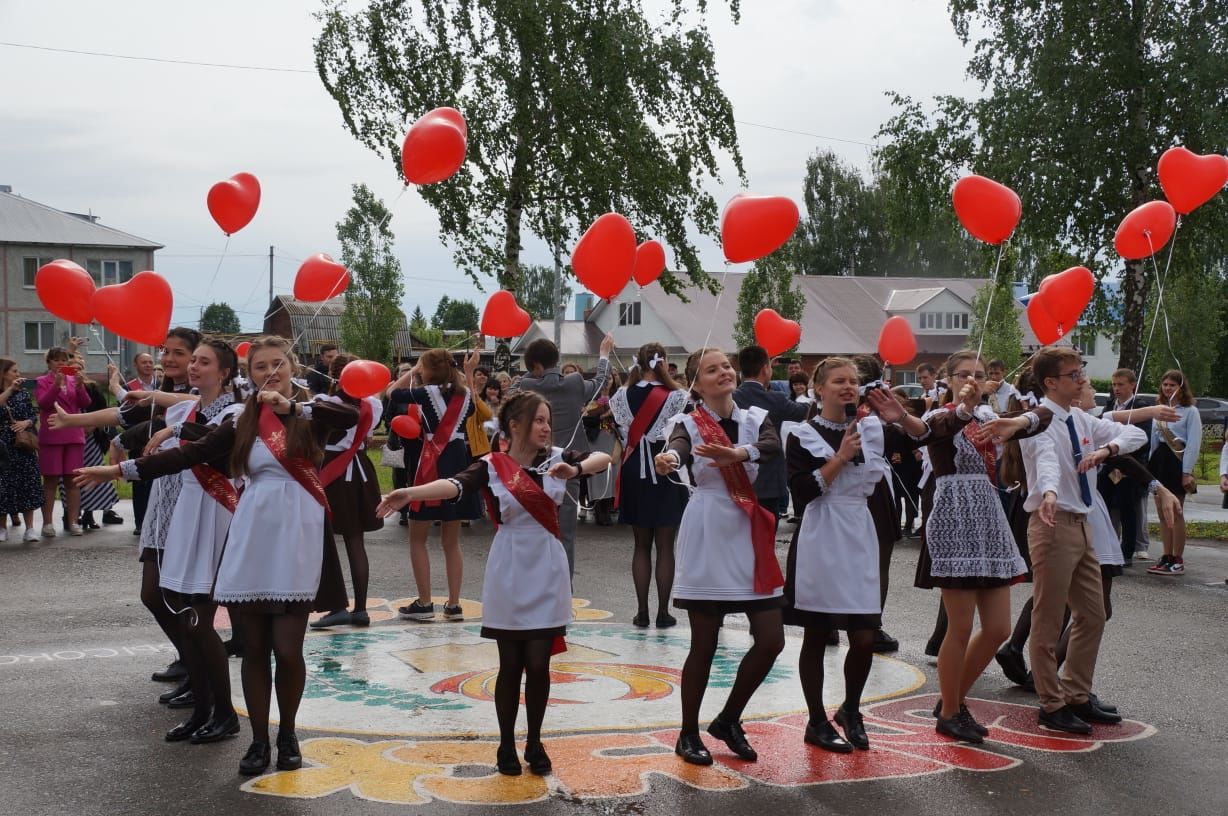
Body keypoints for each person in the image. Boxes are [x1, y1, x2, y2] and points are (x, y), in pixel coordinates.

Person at [78, 336, 355, 775]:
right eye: (260, 367)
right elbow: (193, 454)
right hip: (251, 535)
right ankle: (259, 740)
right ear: (250, 374)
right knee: (256, 649)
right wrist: (118, 470)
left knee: (288, 649)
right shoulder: (244, 419)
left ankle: (289, 735)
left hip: (297, 538)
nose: (269, 373)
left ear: (292, 367)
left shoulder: (311, 411)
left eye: (276, 365)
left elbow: (351, 413)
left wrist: (292, 408)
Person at [376, 392, 611, 777]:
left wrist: (576, 470)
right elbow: (454, 484)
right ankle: (505, 743)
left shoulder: (555, 458)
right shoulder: (491, 465)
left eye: (547, 420)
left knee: (539, 664)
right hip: (511, 568)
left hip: (548, 567)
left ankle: (534, 741)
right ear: (514, 426)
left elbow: (603, 459)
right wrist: (410, 493)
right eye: (537, 420)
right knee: (511, 664)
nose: (545, 427)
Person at [783, 357, 929, 752]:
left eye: (853, 381)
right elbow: (803, 493)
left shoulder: (874, 429)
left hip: (859, 531)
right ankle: (815, 719)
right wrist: (841, 457)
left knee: (864, 635)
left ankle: (850, 709)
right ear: (818, 389)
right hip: (821, 533)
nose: (848, 387)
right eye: (838, 381)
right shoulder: (802, 434)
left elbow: (921, 437)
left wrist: (900, 415)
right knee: (817, 633)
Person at [912, 351, 1052, 744]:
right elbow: (938, 430)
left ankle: (950, 701)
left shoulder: (992, 419)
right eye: (963, 374)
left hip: (989, 520)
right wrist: (963, 408)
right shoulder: (935, 418)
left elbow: (1045, 418)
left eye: (978, 374)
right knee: (959, 627)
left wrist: (1018, 420)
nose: (972, 380)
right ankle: (952, 710)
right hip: (954, 521)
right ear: (948, 380)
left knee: (997, 629)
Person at [654, 347, 785, 767]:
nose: (724, 372)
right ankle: (688, 732)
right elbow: (679, 447)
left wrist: (737, 454)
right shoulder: (688, 423)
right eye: (712, 369)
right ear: (697, 381)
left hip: (746, 530)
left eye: (726, 365)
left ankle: (728, 719)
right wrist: (671, 457)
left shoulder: (753, 419)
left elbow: (770, 446)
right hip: (710, 527)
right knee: (705, 643)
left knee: (771, 639)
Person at [1016, 346, 1145, 734]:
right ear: (1050, 382)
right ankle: (1050, 703)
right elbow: (1048, 463)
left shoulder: (1080, 418)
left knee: (1093, 613)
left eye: (1081, 371)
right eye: (1074, 374)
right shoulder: (1038, 422)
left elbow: (1135, 433)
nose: (1082, 379)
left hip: (1083, 523)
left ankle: (1076, 692)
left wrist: (1108, 450)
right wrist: (1051, 492)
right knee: (1049, 617)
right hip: (1053, 523)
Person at [387, 349, 480, 621]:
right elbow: (474, 404)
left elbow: (392, 393)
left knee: (418, 537)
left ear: (427, 370)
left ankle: (425, 603)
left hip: (431, 464)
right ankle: (453, 604)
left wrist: (412, 372)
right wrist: (470, 372)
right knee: (452, 542)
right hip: (459, 464)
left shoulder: (425, 392)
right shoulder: (463, 397)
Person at [516, 333, 614, 575]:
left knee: (533, 529)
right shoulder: (574, 382)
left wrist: (536, 372)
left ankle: (534, 582)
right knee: (566, 534)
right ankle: (564, 588)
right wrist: (603, 355)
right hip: (569, 465)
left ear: (535, 366)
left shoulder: (526, 386)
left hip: (534, 466)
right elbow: (600, 383)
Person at [610, 343, 689, 627]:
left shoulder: (621, 395)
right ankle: (663, 612)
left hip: (633, 469)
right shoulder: (678, 396)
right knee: (665, 546)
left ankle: (641, 612)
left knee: (640, 545)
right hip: (665, 466)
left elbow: (622, 433)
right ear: (663, 363)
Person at [310, 354, 384, 629]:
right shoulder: (372, 406)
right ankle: (361, 609)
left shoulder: (327, 404)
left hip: (332, 469)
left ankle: (336, 605)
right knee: (355, 542)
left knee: (325, 542)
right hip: (361, 472)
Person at [733, 345, 810, 524]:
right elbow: (803, 412)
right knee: (767, 536)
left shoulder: (732, 398)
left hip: (738, 474)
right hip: (769, 476)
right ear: (766, 369)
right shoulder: (776, 398)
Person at [1146, 369, 1201, 576]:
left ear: (1180, 387)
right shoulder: (1159, 409)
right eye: (1165, 384)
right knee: (1161, 512)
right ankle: (1166, 556)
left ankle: (1178, 558)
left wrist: (1187, 472)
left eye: (1172, 385)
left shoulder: (1190, 411)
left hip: (1177, 461)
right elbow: (1153, 439)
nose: (1167, 388)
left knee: (1176, 512)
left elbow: (1194, 443)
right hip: (1159, 460)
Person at [35, 342, 93, 537]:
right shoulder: (43, 380)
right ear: (49, 363)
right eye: (56, 360)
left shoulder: (73, 380)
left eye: (64, 360)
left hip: (74, 435)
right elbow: (44, 403)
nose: (60, 363)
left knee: (73, 481)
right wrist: (56, 385)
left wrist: (80, 387)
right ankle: (47, 523)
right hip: (52, 434)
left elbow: (85, 403)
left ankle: (74, 521)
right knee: (50, 481)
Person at [1097, 368, 1154, 564]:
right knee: (1105, 505)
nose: (1116, 388)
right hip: (1108, 463)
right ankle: (1107, 547)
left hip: (1129, 465)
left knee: (1127, 508)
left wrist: (1123, 457)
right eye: (1114, 385)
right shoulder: (1110, 405)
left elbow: (1143, 438)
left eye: (1121, 384)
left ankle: (1127, 551)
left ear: (1132, 385)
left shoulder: (1140, 407)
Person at [0, 359, 43, 543]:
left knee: (28, 482)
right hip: (3, 445)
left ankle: (30, 528)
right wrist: (9, 390)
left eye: (18, 371)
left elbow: (32, 414)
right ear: (3, 373)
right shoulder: (6, 393)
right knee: (3, 485)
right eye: (14, 371)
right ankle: (2, 528)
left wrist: (27, 422)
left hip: (23, 444)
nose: (18, 374)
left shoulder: (24, 394)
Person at [580, 374, 619, 526]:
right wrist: (603, 415)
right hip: (595, 439)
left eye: (610, 378)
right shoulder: (590, 399)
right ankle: (598, 510)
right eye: (604, 378)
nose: (606, 382)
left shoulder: (618, 397)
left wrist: (612, 415)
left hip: (612, 439)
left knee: (612, 472)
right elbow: (585, 419)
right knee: (597, 474)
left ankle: (608, 508)